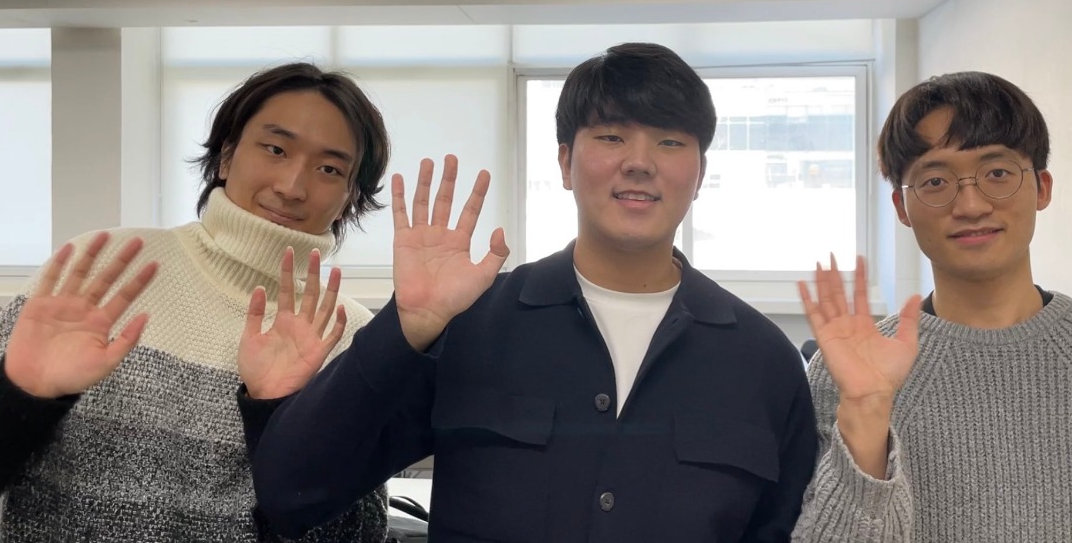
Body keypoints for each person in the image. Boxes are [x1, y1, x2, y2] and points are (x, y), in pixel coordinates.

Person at [248, 43, 819, 542]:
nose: (640, 163)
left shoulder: (765, 361)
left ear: (699, 174)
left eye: (670, 141)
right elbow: (294, 493)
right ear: (565, 162)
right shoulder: (470, 325)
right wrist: (405, 327)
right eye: (612, 136)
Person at [0, 62, 392, 541]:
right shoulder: (103, 269)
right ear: (226, 155)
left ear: (350, 197)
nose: (291, 186)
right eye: (275, 149)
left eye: (329, 169)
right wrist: (19, 393)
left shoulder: (347, 335)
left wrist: (274, 415)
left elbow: (357, 535)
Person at [793, 71, 1072, 541]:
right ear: (901, 207)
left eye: (997, 173)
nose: (971, 205)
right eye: (936, 180)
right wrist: (866, 413)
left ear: (1042, 187)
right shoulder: (845, 378)